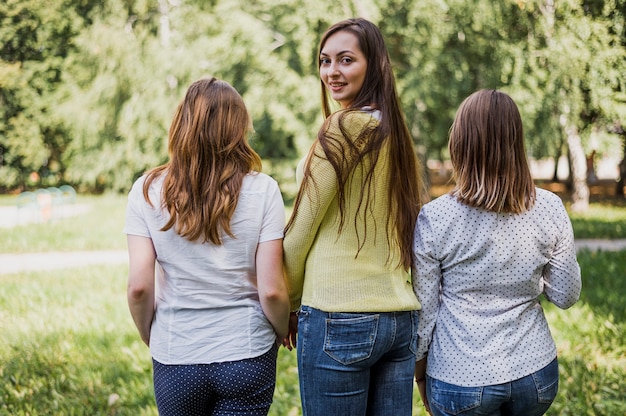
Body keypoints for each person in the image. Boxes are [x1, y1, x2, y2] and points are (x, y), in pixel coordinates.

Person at [282, 18, 426, 416]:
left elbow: (299, 231)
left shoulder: (342, 127)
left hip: (338, 315)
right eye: (325, 61)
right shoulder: (395, 131)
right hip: (398, 319)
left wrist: (289, 302)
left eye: (346, 60)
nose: (332, 72)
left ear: (374, 64)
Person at [124, 77, 290, 416]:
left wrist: (150, 335)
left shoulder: (146, 191)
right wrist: (282, 329)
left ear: (182, 124)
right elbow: (272, 291)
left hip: (176, 354)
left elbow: (139, 288)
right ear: (238, 127)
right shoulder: (264, 190)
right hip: (245, 353)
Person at [413, 89, 582, 416]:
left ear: (460, 144)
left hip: (459, 377)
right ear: (515, 142)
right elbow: (566, 295)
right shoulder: (549, 207)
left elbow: (424, 316)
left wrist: (420, 376)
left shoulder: (435, 218)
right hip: (535, 375)